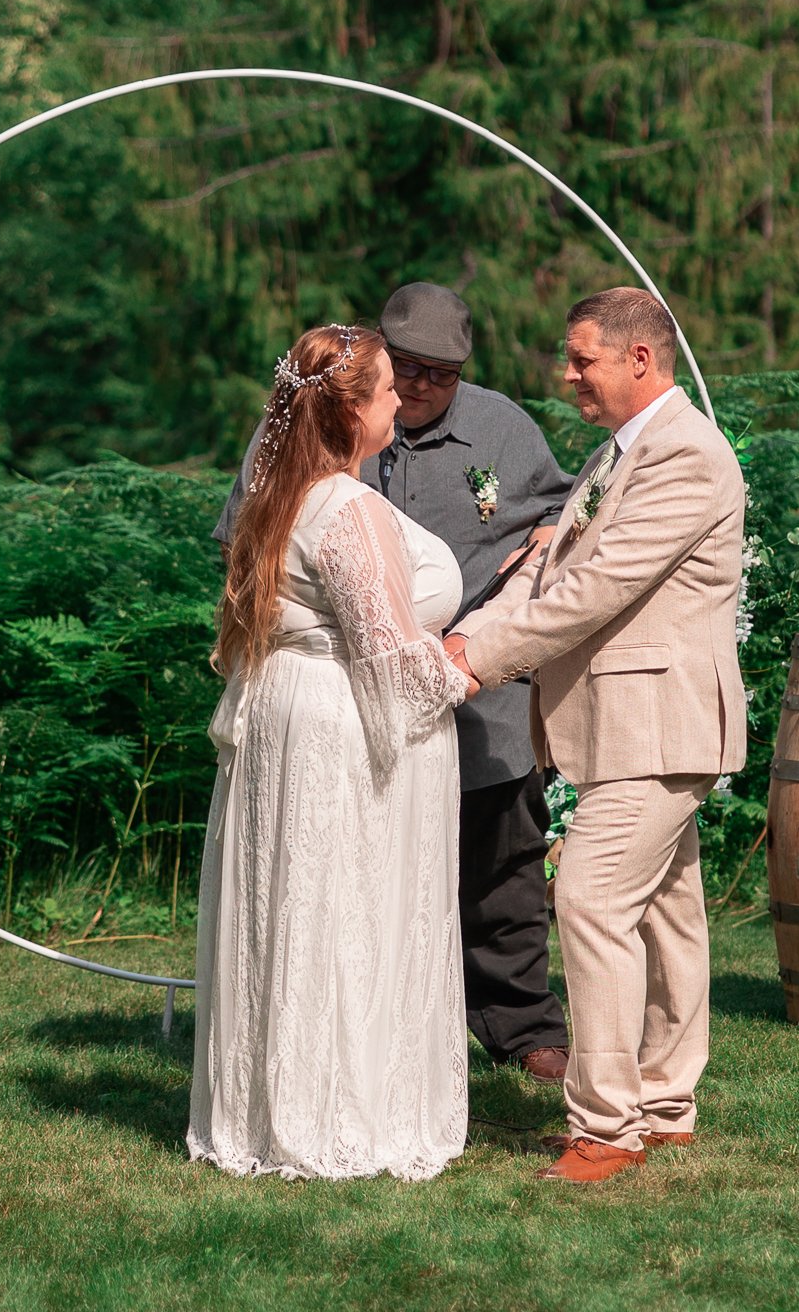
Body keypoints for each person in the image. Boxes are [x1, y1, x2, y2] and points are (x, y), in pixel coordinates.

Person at [215, 283, 573, 1081]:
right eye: (403, 369)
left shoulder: (503, 428)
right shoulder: (305, 430)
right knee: (361, 875)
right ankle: (373, 1027)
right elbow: (246, 541)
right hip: (348, 698)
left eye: (440, 375)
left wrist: (528, 582)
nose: (417, 387)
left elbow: (562, 514)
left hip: (481, 691)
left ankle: (521, 1024)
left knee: (504, 869)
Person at [448, 286, 747, 1186]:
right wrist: (466, 632)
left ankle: (607, 1128)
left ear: (639, 359)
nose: (568, 375)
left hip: (659, 724)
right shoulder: (621, 450)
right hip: (633, 725)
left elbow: (595, 590)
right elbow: (544, 565)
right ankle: (664, 1105)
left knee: (588, 898)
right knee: (668, 913)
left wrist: (475, 662)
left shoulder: (685, 454)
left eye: (583, 360)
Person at [189, 324, 470, 1182]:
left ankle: (268, 1106)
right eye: (385, 391)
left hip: (283, 709)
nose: (398, 401)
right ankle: (339, 1113)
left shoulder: (276, 491)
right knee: (342, 903)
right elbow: (386, 653)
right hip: (334, 723)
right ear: (350, 412)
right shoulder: (346, 507)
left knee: (291, 901)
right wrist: (465, 670)